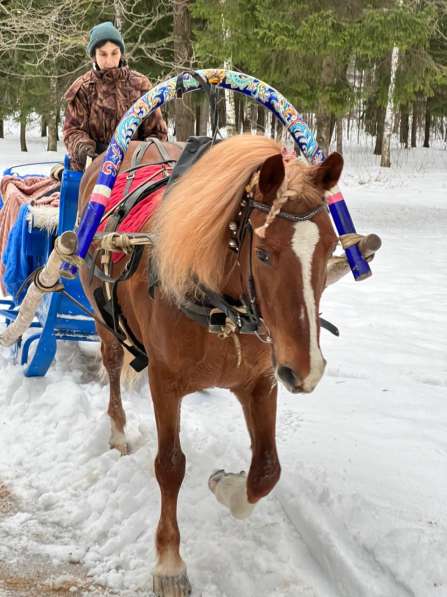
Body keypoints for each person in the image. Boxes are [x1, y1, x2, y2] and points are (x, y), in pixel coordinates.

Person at [63, 21, 168, 171]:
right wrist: (84, 150)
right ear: (94, 56)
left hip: (135, 168)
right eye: (103, 54)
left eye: (114, 53)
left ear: (121, 52)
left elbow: (157, 132)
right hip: (93, 167)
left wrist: (144, 157)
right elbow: (72, 131)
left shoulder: (140, 85)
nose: (110, 61)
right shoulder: (83, 88)